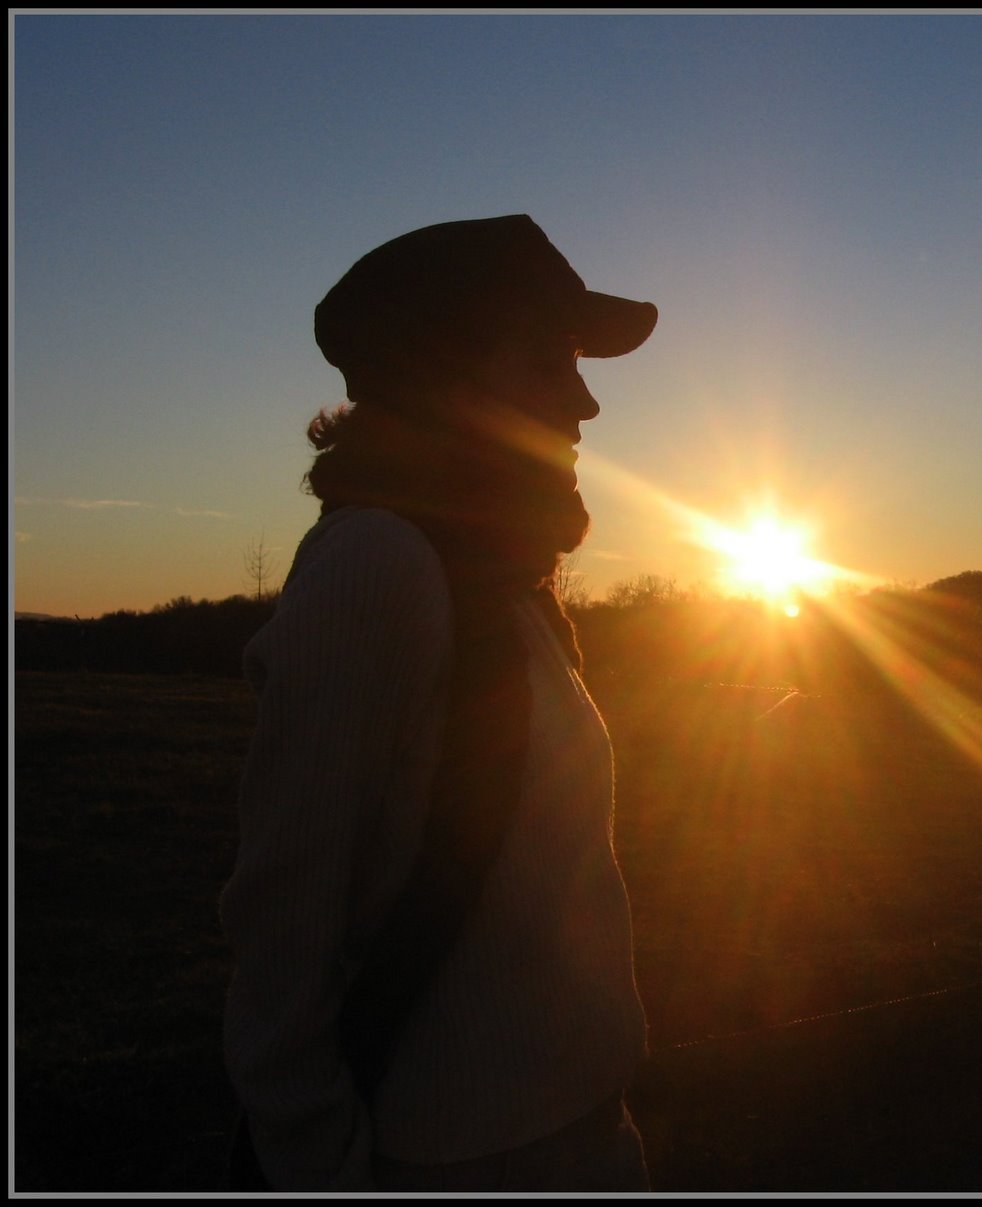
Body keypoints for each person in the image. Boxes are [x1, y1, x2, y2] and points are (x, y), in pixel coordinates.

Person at [219, 215, 657, 1191]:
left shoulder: (504, 579)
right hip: (460, 1157)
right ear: (442, 380)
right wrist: (315, 1165)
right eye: (548, 360)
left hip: (578, 1131)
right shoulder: (378, 566)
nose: (586, 401)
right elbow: (284, 926)